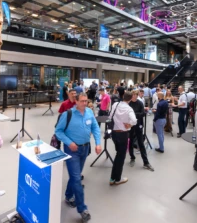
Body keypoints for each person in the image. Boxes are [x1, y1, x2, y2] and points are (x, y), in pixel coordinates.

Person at [55, 92, 101, 222]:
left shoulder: (89, 112)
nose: (84, 103)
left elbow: (95, 128)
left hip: (85, 149)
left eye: (86, 101)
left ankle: (69, 195)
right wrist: (69, 143)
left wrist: (98, 143)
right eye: (82, 101)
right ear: (76, 101)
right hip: (72, 150)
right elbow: (58, 131)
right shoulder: (67, 114)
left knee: (76, 174)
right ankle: (82, 209)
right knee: (76, 178)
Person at [109, 92, 137, 185]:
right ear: (130, 99)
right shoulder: (129, 109)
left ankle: (113, 178)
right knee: (121, 156)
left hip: (114, 133)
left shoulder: (115, 104)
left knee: (118, 154)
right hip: (123, 134)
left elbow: (110, 116)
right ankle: (117, 179)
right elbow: (134, 120)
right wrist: (130, 124)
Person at [128, 90, 154, 171]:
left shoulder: (140, 103)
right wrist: (135, 115)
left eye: (136, 94)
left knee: (141, 143)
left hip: (138, 124)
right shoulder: (128, 103)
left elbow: (143, 113)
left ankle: (146, 162)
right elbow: (127, 114)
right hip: (130, 125)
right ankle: (132, 157)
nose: (134, 96)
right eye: (133, 95)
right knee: (131, 141)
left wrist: (133, 114)